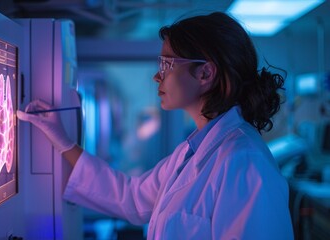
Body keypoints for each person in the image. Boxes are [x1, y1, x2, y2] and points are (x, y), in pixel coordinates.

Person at [17, 11, 294, 240]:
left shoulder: (244, 161)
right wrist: (64, 142)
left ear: (205, 73)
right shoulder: (192, 152)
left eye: (166, 65)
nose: (156, 77)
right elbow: (130, 197)